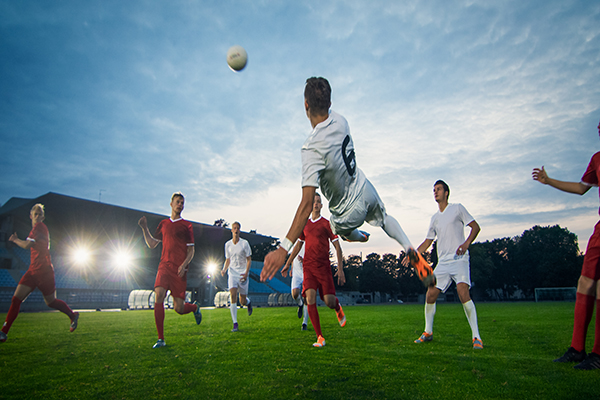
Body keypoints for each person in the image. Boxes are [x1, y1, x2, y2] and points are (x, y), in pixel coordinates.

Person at [261, 77, 433, 287]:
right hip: (364, 187)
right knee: (385, 218)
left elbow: (307, 205)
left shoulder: (311, 148)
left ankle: (360, 237)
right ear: (330, 104)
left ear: (305, 105)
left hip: (347, 212)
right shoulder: (342, 121)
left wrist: (282, 248)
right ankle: (408, 248)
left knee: (338, 227)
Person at [532, 120, 600, 370]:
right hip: (599, 230)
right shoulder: (597, 159)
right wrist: (549, 181)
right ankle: (577, 349)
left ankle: (598, 354)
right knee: (585, 283)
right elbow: (582, 188)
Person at [405, 180, 482, 349]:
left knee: (463, 293)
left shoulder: (457, 208)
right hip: (443, 263)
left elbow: (475, 227)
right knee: (430, 294)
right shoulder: (435, 218)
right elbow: (427, 242)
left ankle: (476, 337)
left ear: (446, 192)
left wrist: (467, 243)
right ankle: (428, 332)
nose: (435, 192)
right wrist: (413, 255)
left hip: (459, 259)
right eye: (434, 190)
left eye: (438, 189)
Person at [1, 204, 79, 343]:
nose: (37, 216)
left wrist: (14, 240)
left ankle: (72, 315)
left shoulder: (40, 227)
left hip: (44, 272)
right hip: (33, 271)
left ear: (42, 217)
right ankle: (3, 332)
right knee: (16, 299)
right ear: (30, 215)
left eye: (39, 214)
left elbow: (26, 245)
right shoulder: (36, 229)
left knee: (51, 302)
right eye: (35, 214)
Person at [281, 192, 346, 347]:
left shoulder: (327, 224)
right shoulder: (305, 224)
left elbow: (337, 246)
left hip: (323, 268)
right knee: (310, 299)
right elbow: (298, 245)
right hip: (308, 267)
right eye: (314, 202)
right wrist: (288, 263)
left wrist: (341, 269)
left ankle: (337, 307)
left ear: (321, 206)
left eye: (318, 202)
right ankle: (320, 337)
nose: (316, 204)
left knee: (328, 301)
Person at [138, 192, 202, 349]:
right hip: (164, 267)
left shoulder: (186, 226)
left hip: (179, 270)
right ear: (171, 204)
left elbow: (191, 250)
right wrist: (144, 228)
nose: (180, 204)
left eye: (182, 202)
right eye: (178, 202)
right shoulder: (164, 224)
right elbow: (152, 244)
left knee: (179, 308)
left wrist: (184, 264)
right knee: (158, 295)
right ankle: (161, 339)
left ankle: (194, 307)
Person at [221, 221, 253, 332]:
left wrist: (246, 273)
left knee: (242, 301)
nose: (236, 230)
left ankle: (248, 303)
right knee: (233, 295)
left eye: (237, 228)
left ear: (239, 230)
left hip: (243, 273)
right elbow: (228, 259)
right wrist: (224, 269)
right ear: (231, 230)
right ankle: (235, 323)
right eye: (234, 228)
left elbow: (249, 259)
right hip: (232, 273)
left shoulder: (245, 243)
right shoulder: (227, 245)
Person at [283, 243, 309, 330]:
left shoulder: (310, 240)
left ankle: (304, 323)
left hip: (307, 271)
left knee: (307, 297)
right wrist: (291, 268)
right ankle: (300, 304)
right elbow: (294, 255)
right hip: (296, 273)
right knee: (294, 294)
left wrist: (305, 260)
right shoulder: (297, 241)